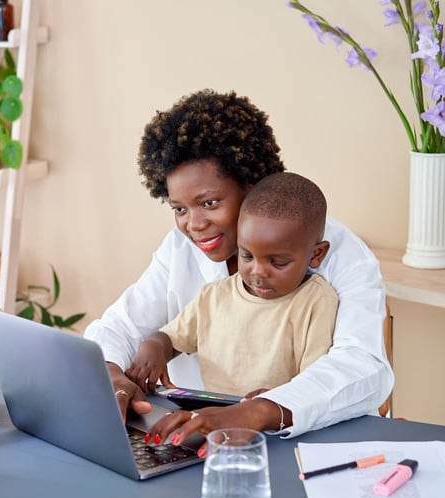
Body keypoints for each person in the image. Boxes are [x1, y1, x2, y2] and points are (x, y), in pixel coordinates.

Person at [84, 89, 392, 441]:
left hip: (311, 441)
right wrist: (110, 372)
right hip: (201, 433)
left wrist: (256, 411)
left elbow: (364, 368)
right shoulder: (181, 248)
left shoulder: (339, 254)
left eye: (210, 202)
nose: (194, 224)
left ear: (252, 183)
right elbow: (121, 324)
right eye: (179, 209)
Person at [132, 172, 339, 445]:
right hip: (214, 430)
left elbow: (316, 380)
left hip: (277, 435)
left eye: (277, 262)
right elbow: (173, 337)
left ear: (316, 254)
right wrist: (154, 347)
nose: (257, 273)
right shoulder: (214, 295)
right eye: (247, 256)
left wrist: (277, 398)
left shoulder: (315, 302)